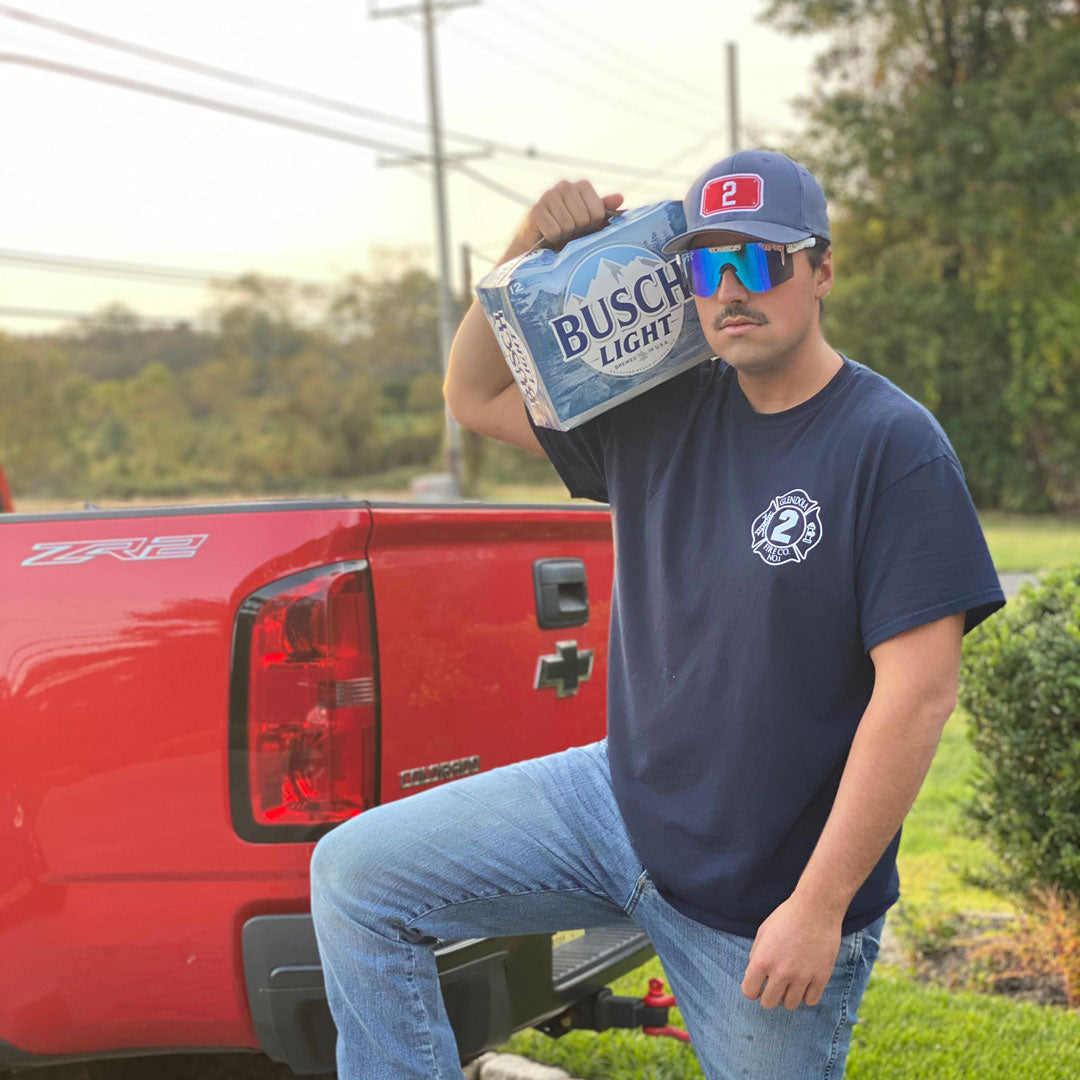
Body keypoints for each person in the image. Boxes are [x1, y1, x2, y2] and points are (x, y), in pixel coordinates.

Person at [310, 149, 1005, 1079]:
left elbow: (917, 698)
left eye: (758, 262)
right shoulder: (656, 406)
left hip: (764, 891)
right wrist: (524, 251)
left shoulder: (891, 446)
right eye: (703, 264)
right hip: (619, 804)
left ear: (822, 269)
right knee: (357, 879)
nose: (729, 289)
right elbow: (474, 394)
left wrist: (818, 906)